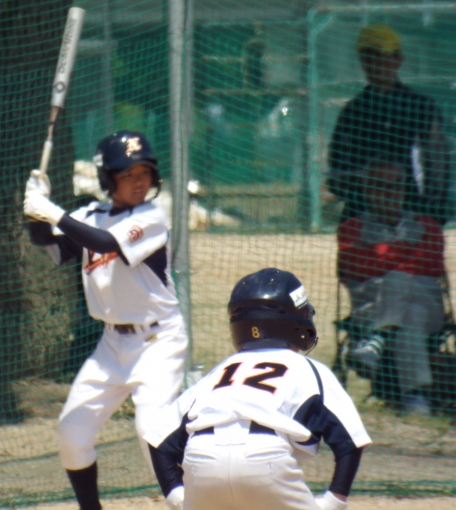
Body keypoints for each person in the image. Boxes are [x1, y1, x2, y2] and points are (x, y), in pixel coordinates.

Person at [24, 131, 188, 510]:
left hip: (159, 342)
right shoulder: (90, 216)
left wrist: (52, 212)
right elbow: (47, 241)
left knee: (152, 434)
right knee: (71, 432)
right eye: (127, 174)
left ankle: (189, 502)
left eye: (144, 172)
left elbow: (105, 243)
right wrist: (34, 209)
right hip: (112, 346)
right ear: (107, 178)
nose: (138, 181)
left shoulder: (150, 217)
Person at [145, 268, 371, 510]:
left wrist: (179, 498)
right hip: (266, 458)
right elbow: (351, 442)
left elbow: (158, 442)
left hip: (201, 458)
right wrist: (334, 501)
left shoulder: (219, 371)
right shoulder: (310, 369)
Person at [337, 155, 444, 415]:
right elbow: (355, 266)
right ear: (367, 190)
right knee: (411, 313)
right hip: (370, 310)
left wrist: (383, 257)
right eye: (381, 186)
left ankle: (376, 340)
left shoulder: (427, 226)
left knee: (398, 279)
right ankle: (415, 397)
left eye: (396, 185)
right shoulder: (351, 228)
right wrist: (405, 254)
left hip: (431, 308)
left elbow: (430, 264)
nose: (390, 193)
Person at [327, 24, 451, 225]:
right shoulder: (353, 112)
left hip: (413, 212)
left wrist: (434, 211)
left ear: (398, 59)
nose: (374, 64)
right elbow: (339, 167)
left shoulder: (421, 107)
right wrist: (351, 192)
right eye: (367, 57)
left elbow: (437, 162)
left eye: (381, 56)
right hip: (364, 214)